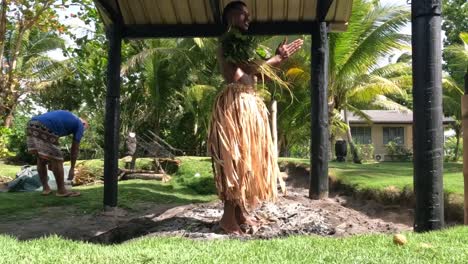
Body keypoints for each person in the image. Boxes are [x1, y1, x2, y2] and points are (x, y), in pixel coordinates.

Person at [208, 1, 303, 234]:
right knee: (236, 161)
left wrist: (276, 61)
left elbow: (256, 74)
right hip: (236, 106)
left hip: (246, 102)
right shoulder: (230, 40)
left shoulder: (241, 45)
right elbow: (244, 72)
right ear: (231, 16)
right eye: (244, 15)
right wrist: (275, 60)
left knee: (246, 161)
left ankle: (239, 213)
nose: (248, 20)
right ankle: (227, 219)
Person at [26, 110, 88, 197]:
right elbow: (75, 149)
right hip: (45, 126)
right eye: (85, 129)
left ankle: (46, 189)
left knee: (41, 158)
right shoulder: (80, 124)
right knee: (58, 159)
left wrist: (51, 162)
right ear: (84, 124)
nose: (82, 132)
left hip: (32, 124)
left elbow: (52, 140)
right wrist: (72, 168)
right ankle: (61, 191)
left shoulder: (69, 118)